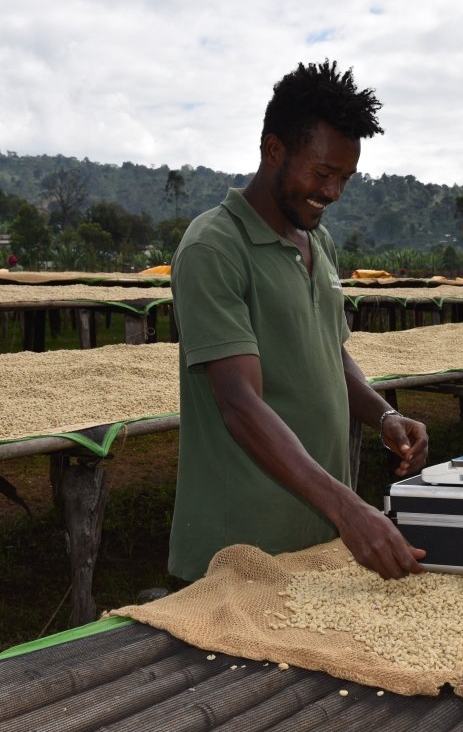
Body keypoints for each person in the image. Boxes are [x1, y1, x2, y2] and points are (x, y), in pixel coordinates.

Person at [168, 60, 429, 583]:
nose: (332, 192)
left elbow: (329, 353)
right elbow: (240, 403)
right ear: (273, 150)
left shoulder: (318, 241)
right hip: (240, 550)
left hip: (318, 544)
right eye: (322, 173)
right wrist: (348, 506)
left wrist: (382, 415)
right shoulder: (214, 247)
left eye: (345, 179)